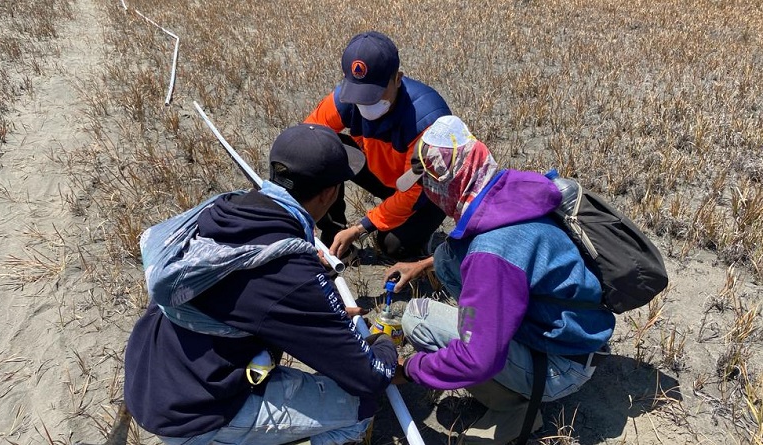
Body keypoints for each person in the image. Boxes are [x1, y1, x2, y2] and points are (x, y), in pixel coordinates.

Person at [124, 124, 399, 445]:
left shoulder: (226, 208)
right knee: (360, 406)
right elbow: (368, 376)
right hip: (195, 412)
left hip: (150, 377)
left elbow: (249, 295)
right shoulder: (287, 268)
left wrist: (315, 310)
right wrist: (385, 344)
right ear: (329, 193)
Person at [387, 115, 616, 444]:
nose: (425, 192)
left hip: (561, 368)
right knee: (448, 257)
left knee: (418, 318)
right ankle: (496, 342)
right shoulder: (515, 192)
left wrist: (409, 369)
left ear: (442, 184)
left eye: (425, 182)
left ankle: (514, 408)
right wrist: (423, 265)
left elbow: (476, 360)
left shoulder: (491, 254)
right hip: (576, 336)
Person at [304, 30, 451, 261]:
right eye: (358, 94)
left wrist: (360, 228)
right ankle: (334, 238)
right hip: (384, 174)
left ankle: (423, 241)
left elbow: (412, 193)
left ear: (398, 79)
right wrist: (305, 210)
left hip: (425, 193)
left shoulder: (425, 121)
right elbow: (305, 139)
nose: (364, 103)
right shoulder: (345, 98)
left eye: (373, 94)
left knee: (392, 246)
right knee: (322, 149)